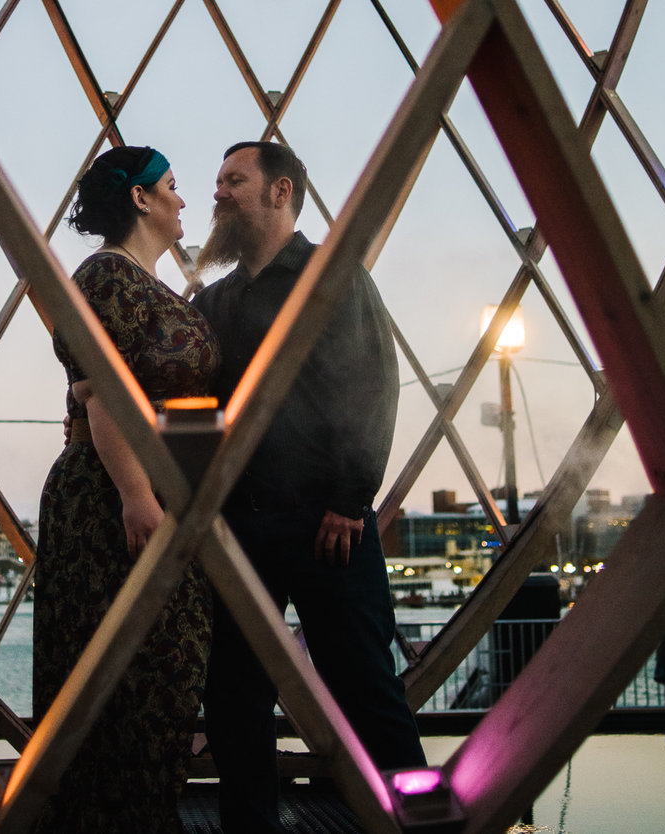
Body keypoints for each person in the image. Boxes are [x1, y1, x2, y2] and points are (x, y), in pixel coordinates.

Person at [192, 140, 425, 834]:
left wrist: (351, 502)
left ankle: (415, 823)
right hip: (240, 527)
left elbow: (375, 386)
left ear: (280, 191)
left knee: (364, 687)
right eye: (217, 181)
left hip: (328, 520)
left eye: (234, 180)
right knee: (236, 697)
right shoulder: (214, 300)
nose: (219, 193)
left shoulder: (335, 277)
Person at [32, 145, 220, 834]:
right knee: (131, 670)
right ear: (140, 199)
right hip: (112, 495)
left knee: (159, 667)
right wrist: (136, 495)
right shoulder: (109, 278)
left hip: (148, 489)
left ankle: (137, 812)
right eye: (172, 186)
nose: (183, 198)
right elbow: (102, 391)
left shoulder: (140, 280)